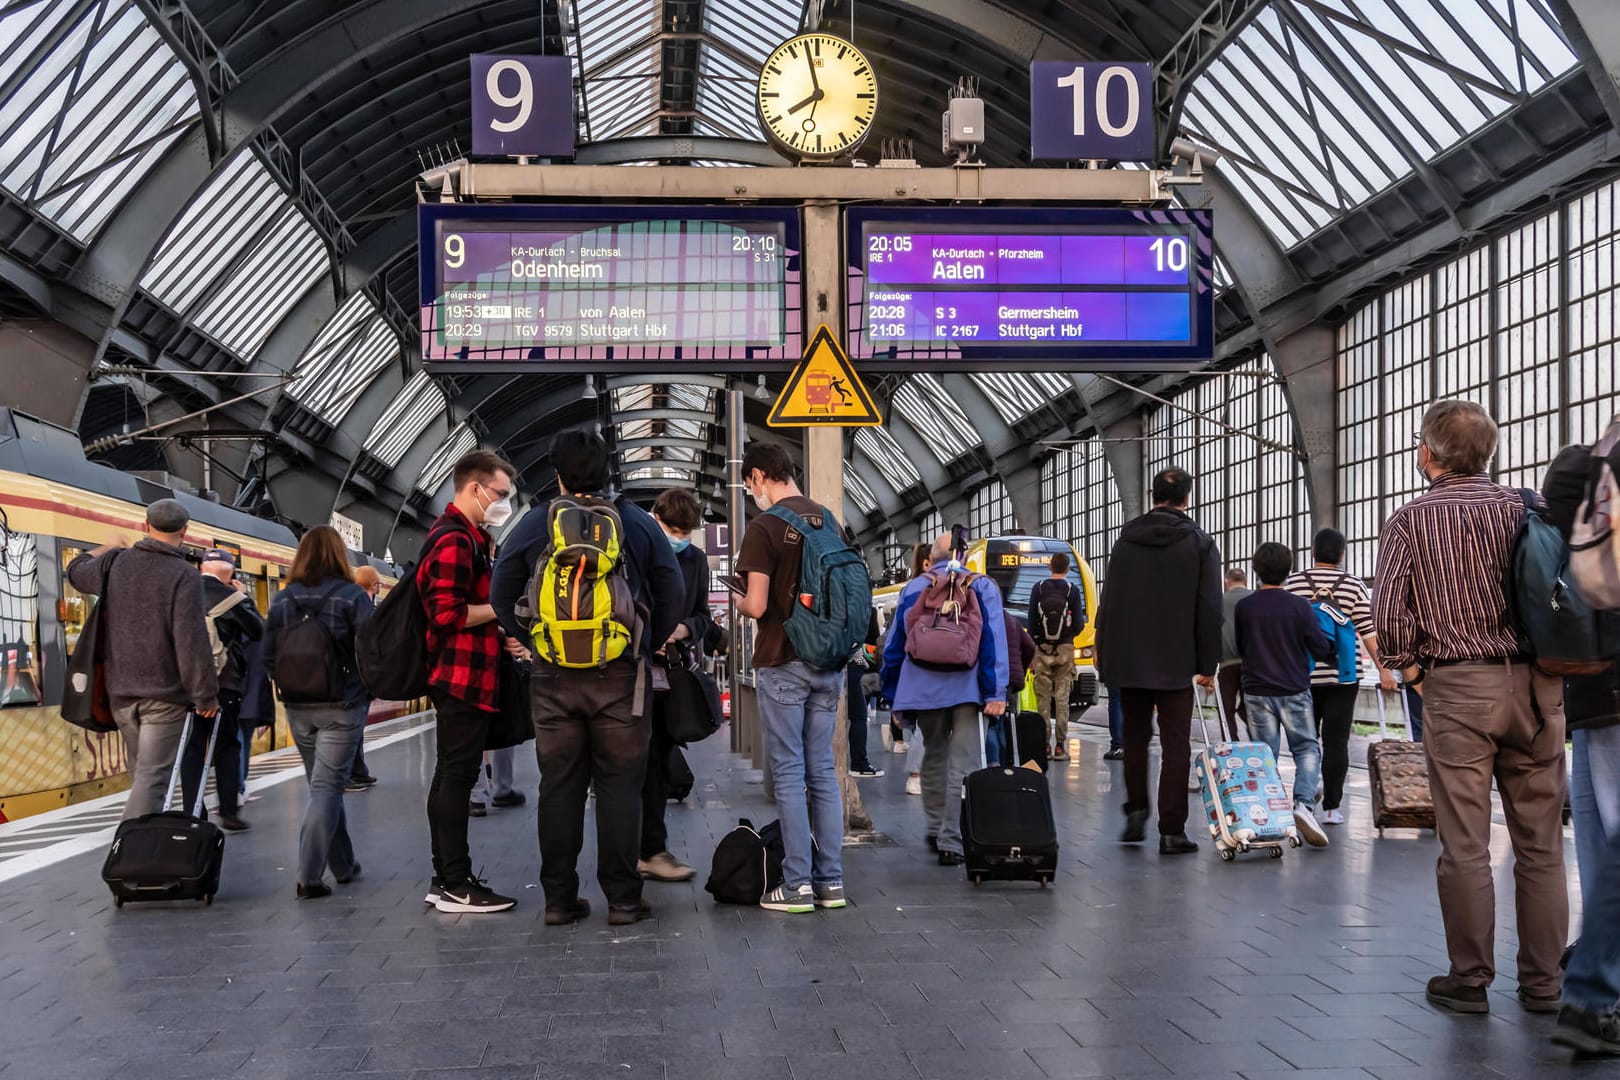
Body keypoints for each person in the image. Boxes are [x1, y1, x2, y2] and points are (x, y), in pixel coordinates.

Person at [1373, 400, 1567, 1015]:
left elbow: (1390, 619)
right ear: (1489, 453)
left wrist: (1411, 670)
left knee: (1465, 844)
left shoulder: (1411, 519)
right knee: (1540, 845)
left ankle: (1470, 979)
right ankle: (1543, 985)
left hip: (1458, 688)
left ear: (1427, 454)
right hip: (1538, 690)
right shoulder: (1527, 508)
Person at [490, 432, 682, 927]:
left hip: (552, 678)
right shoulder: (637, 523)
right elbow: (672, 590)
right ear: (608, 470)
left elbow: (500, 590)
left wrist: (534, 641)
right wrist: (642, 641)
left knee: (559, 786)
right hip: (620, 677)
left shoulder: (535, 524)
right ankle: (621, 899)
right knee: (620, 786)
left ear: (556, 475)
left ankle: (558, 899)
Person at [734, 442, 852, 911]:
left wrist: (739, 599)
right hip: (828, 664)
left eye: (749, 485)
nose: (751, 493)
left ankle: (797, 884)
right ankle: (832, 883)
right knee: (822, 770)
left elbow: (758, 605)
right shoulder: (830, 522)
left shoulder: (764, 527)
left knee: (787, 772)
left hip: (783, 661)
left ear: (761, 476)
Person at [419, 449, 527, 914]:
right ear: (474, 488)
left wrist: (495, 632)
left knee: (453, 775)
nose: (502, 502)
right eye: (500, 494)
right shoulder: (454, 541)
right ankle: (454, 882)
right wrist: (500, 612)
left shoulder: (471, 537)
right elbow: (444, 612)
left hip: (470, 673)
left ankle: (445, 878)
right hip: (460, 677)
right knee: (456, 777)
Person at [1095, 466, 1222, 855]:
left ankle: (1135, 812)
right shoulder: (1199, 543)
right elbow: (1208, 607)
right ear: (1187, 498)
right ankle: (1172, 830)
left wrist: (1107, 657)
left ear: (1153, 496)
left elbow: (1110, 602)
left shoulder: (1125, 542)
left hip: (1130, 660)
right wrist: (1208, 663)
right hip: (1176, 659)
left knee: (1134, 740)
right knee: (1176, 745)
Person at [66, 499, 219, 821]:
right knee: (153, 778)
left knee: (142, 774)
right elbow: (190, 640)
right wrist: (205, 695)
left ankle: (146, 851)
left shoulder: (116, 563)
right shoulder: (183, 575)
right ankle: (129, 853)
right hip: (164, 696)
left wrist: (105, 547)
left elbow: (76, 573)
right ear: (185, 531)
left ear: (144, 525)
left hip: (120, 694)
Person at [1541, 443, 1620, 1052]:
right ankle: (1594, 992)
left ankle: (1594, 992)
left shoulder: (1587, 465)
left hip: (1592, 687)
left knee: (1600, 850)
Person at [260, 527, 374, 899]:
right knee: (326, 788)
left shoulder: (282, 600)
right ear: (339, 556)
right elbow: (371, 650)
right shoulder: (353, 597)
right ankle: (309, 876)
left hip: (299, 708)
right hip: (342, 706)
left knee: (322, 786)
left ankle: (344, 865)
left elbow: (267, 656)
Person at [882, 533, 1009, 865]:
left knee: (934, 754)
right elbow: (994, 638)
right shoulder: (981, 586)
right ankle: (951, 841)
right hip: (967, 688)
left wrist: (894, 693)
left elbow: (895, 644)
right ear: (962, 555)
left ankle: (936, 827)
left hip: (922, 686)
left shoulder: (913, 588)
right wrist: (996, 691)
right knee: (962, 762)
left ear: (931, 556)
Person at [1285, 528, 1396, 826]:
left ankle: (1303, 801)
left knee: (1306, 741)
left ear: (1312, 551)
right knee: (1336, 741)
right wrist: (1385, 670)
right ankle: (1333, 807)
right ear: (1342, 554)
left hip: (1302, 675)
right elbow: (1368, 632)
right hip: (1344, 676)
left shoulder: (1294, 583)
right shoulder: (1352, 585)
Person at [1233, 542, 1335, 848]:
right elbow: (1318, 646)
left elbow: (1241, 647)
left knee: (1264, 755)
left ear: (1256, 570)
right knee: (1305, 748)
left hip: (1256, 690)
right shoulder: (1299, 606)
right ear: (1288, 571)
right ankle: (1302, 804)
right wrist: (1333, 649)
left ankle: (1267, 814)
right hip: (1293, 688)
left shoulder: (1245, 607)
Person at [639, 486, 714, 884]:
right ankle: (644, 847)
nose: (681, 539)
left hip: (669, 671)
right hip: (634, 666)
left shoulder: (697, 561)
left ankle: (650, 847)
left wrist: (685, 628)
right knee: (638, 760)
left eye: (687, 532)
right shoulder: (637, 550)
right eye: (674, 530)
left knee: (658, 755)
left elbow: (703, 614)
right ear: (657, 520)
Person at [183, 548, 263, 831]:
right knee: (227, 748)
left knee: (192, 750)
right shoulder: (233, 598)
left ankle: (194, 811)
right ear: (229, 574)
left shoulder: (182, 592)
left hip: (186, 688)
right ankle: (229, 811)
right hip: (223, 686)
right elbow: (259, 632)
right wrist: (245, 598)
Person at [1028, 552, 1085, 761]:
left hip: (1042, 650)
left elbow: (1031, 620)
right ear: (1068, 568)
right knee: (1062, 699)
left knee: (1043, 700)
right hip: (1065, 650)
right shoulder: (1072, 590)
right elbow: (1078, 622)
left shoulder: (1039, 588)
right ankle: (1061, 746)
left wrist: (1037, 641)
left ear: (1050, 567)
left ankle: (1044, 747)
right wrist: (1068, 636)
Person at [345, 566, 382, 792]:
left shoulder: (349, 599)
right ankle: (349, 774)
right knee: (352, 727)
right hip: (356, 675)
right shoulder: (362, 602)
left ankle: (359, 771)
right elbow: (368, 638)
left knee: (357, 727)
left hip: (351, 674)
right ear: (374, 585)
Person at [988, 610, 1036, 767]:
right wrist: (1020, 668)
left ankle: (993, 763)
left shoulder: (986, 616)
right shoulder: (1012, 620)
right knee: (1003, 721)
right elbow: (1030, 647)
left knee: (990, 722)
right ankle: (1005, 762)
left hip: (993, 676)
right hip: (1011, 680)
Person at [847, 606, 885, 779]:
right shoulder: (867, 610)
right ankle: (859, 763)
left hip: (826, 664)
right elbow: (872, 643)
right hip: (854, 665)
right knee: (859, 716)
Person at [1217, 567, 1252, 742]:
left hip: (1227, 663)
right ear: (1245, 581)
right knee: (1252, 706)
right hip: (1253, 663)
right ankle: (1257, 742)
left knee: (1226, 709)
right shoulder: (1255, 598)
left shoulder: (1219, 601)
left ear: (1227, 581)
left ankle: (1231, 745)